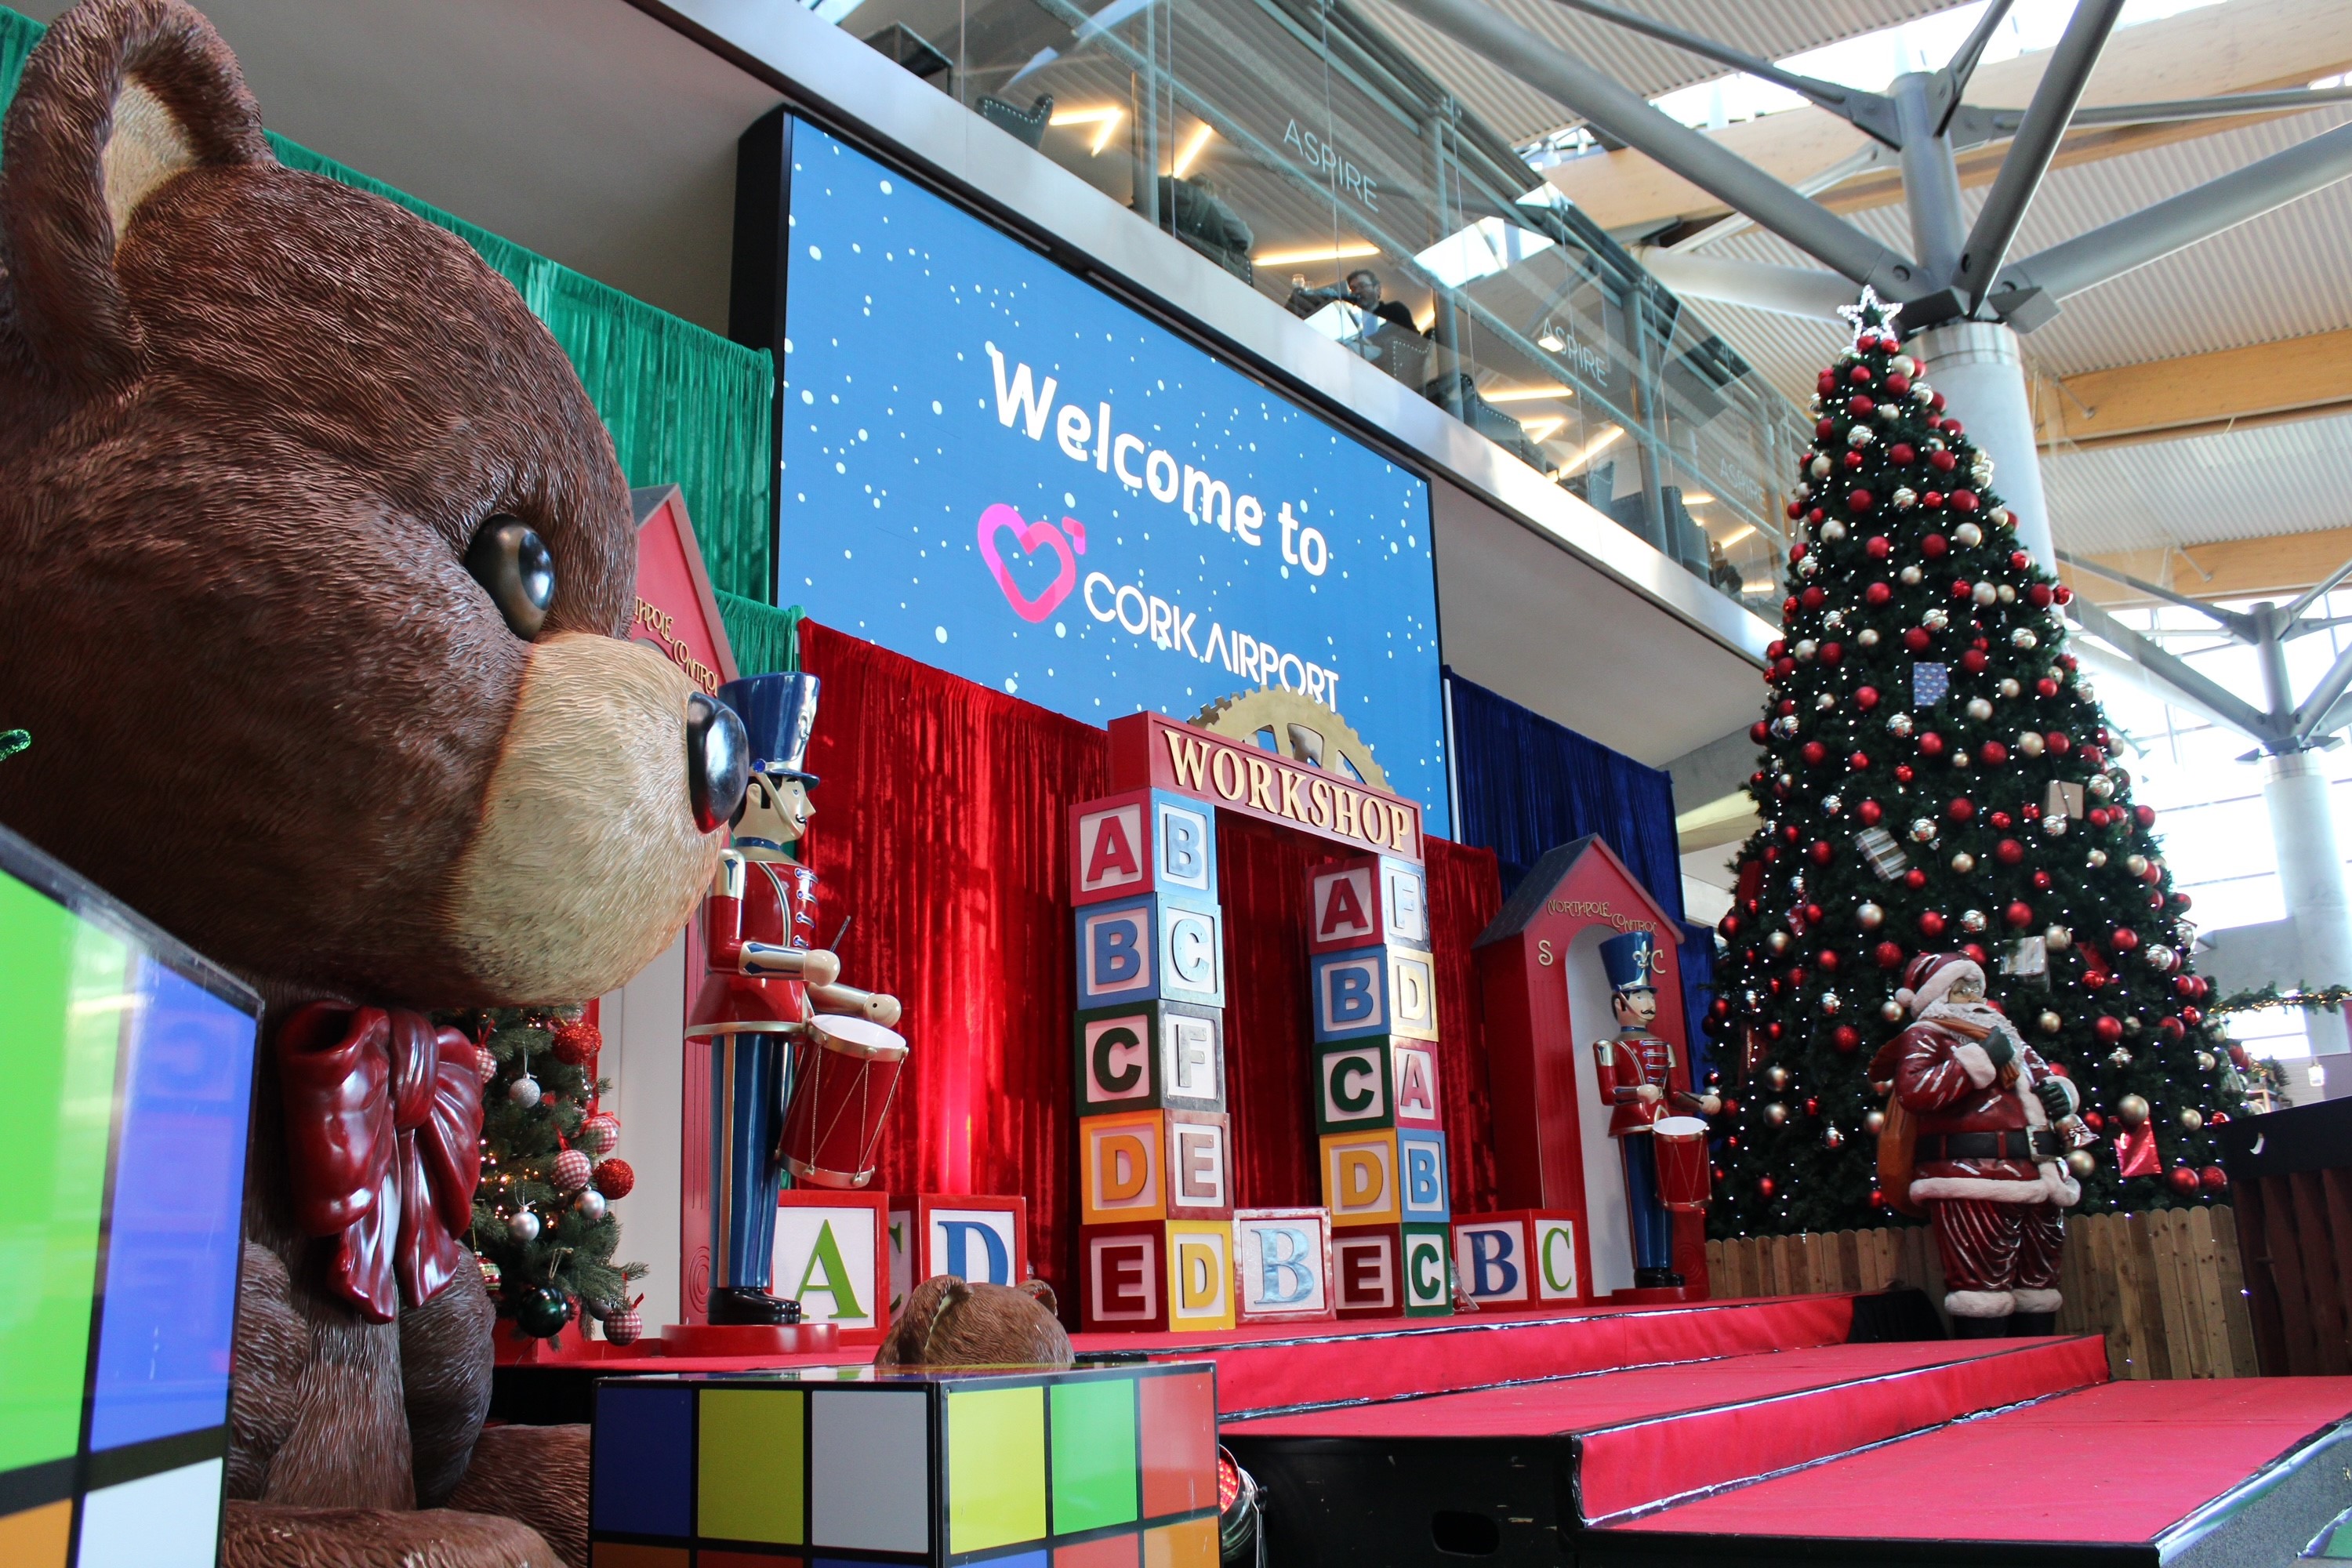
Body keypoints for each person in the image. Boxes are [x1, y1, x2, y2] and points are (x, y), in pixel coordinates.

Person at [686, 672, 900, 1327]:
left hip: (786, 1027)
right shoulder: (728, 866)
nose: (805, 810)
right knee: (740, 1152)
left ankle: (755, 1278)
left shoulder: (797, 876)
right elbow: (725, 952)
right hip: (739, 1020)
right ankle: (731, 1284)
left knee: (772, 1158)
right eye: (794, 792)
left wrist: (861, 1002)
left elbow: (808, 977)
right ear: (756, 789)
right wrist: (802, 962)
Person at [1872, 953, 2082, 1337]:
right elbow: (1916, 1091)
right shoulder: (1926, 1035)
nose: (1971, 996)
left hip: (2038, 1176)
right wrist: (1980, 1059)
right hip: (1973, 1177)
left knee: (2039, 1285)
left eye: (1975, 987)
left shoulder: (2007, 1034)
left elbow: (2041, 1078)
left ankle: (2044, 1374)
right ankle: (1990, 1379)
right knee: (1980, 1289)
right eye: (1959, 988)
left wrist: (2061, 1096)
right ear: (1936, 995)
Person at [1591, 929, 1719, 1288]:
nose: (1647, 1000)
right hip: (1633, 1125)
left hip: (1662, 1127)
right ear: (1620, 1003)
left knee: (1665, 1194)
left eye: (1649, 992)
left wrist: (1702, 1102)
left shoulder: (1664, 1045)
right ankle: (1647, 1268)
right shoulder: (1607, 1047)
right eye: (1639, 994)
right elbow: (1608, 1093)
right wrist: (1636, 1091)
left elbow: (1675, 1093)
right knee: (1641, 1195)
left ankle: (1663, 1263)